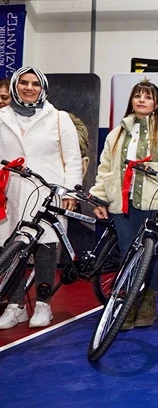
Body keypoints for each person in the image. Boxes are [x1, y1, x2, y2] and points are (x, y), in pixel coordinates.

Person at [90, 80, 158, 330]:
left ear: (155, 104)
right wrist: (100, 197)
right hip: (122, 204)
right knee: (127, 254)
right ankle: (130, 302)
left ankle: (148, 300)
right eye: (137, 96)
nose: (142, 100)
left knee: (151, 254)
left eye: (148, 97)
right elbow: (105, 169)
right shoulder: (116, 133)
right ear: (131, 101)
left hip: (154, 202)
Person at [0, 66, 82, 329]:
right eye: (23, 83)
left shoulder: (58, 118)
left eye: (35, 84)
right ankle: (15, 306)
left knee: (45, 248)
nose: (29, 88)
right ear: (15, 86)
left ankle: (43, 305)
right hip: (11, 192)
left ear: (43, 88)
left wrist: (71, 191)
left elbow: (72, 157)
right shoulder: (2, 116)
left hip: (47, 192)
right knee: (11, 248)